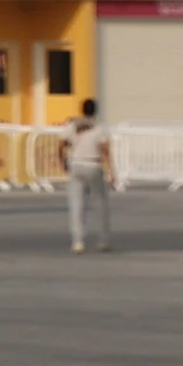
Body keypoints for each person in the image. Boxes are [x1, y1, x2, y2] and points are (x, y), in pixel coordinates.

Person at [63, 101, 117, 253]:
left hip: (75, 164)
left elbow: (61, 142)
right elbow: (105, 149)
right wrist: (112, 172)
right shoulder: (99, 128)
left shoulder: (73, 126)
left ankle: (78, 241)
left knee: (76, 204)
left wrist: (63, 161)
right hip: (93, 164)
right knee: (100, 202)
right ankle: (103, 239)